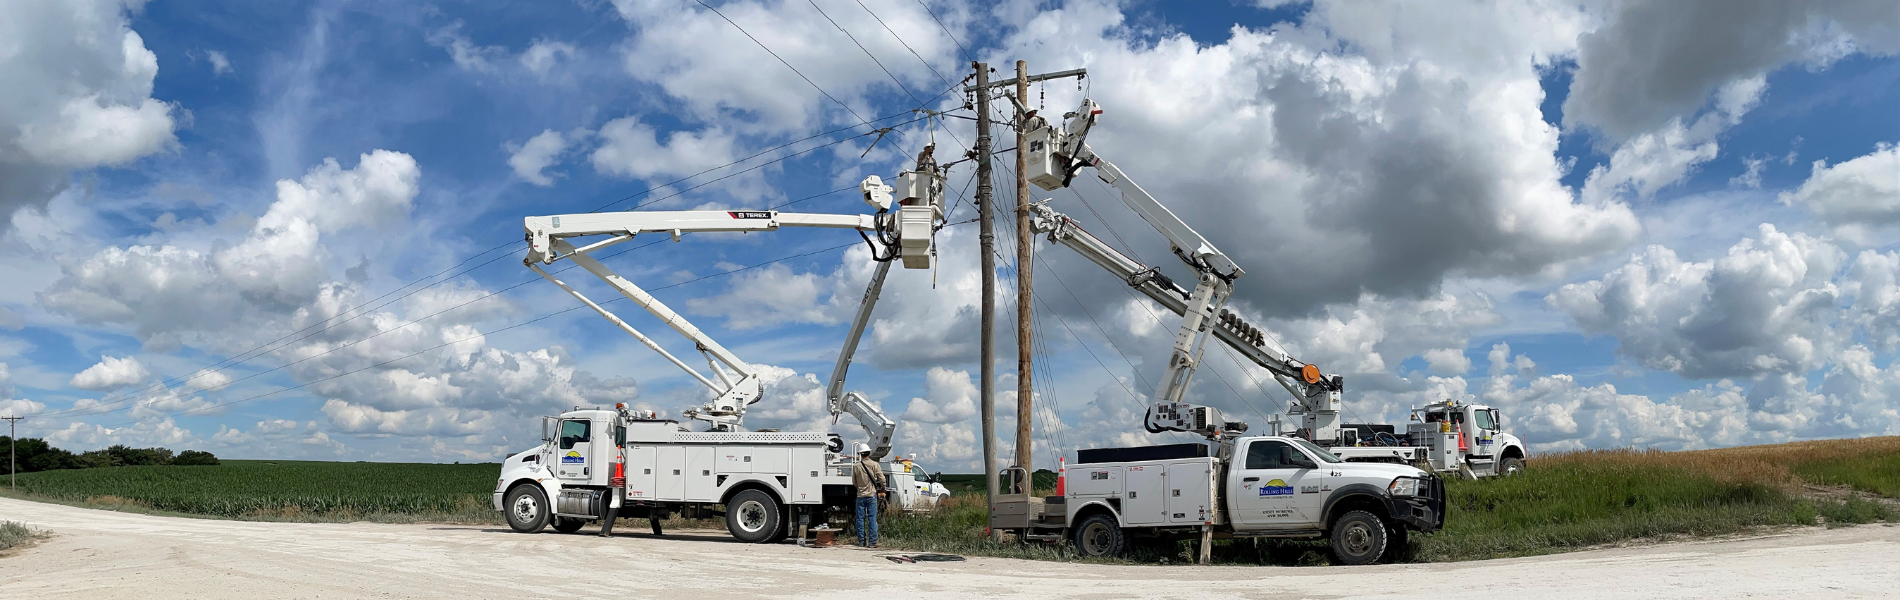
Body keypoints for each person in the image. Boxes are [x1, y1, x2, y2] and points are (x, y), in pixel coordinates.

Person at [851, 443, 886, 548]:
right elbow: (882, 479)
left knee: (860, 519)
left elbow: (854, 482)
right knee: (872, 518)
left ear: (860, 454)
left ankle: (861, 541)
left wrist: (860, 488)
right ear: (869, 453)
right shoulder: (875, 465)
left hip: (860, 495)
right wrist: (882, 488)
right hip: (871, 495)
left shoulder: (856, 466)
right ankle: (872, 541)